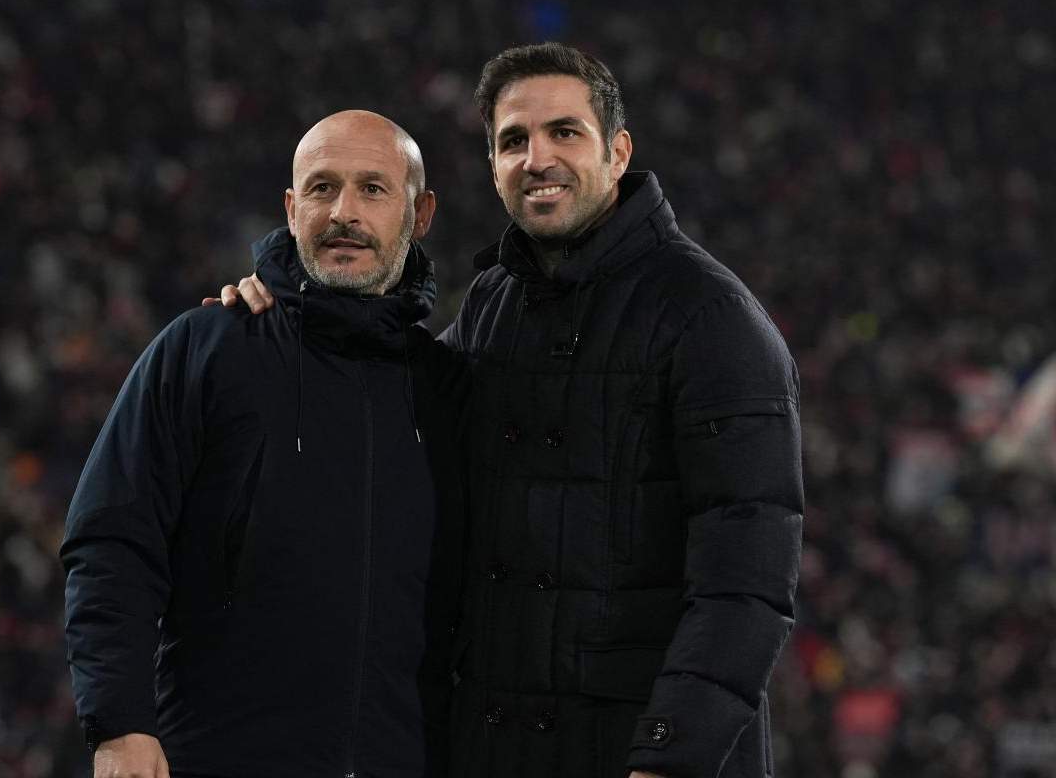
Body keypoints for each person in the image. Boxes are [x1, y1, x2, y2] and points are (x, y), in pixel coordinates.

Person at [218, 43, 803, 778]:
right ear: (493, 165)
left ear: (618, 152)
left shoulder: (710, 318)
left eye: (565, 132)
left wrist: (670, 756)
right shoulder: (495, 301)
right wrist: (285, 300)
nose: (537, 158)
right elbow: (389, 382)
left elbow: (747, 581)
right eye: (514, 140)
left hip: (638, 753)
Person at [62, 110, 467, 778]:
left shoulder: (449, 389)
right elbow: (114, 542)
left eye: (372, 189)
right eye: (321, 187)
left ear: (419, 214)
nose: (343, 212)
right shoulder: (205, 348)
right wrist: (120, 724)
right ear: (290, 207)